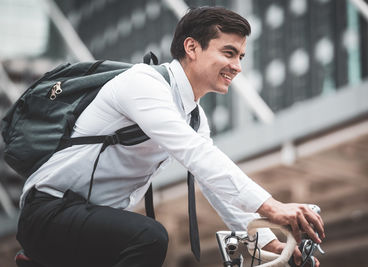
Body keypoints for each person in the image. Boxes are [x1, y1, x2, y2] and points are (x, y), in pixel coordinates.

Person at [16, 6, 324, 267]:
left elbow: (214, 186)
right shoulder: (143, 84)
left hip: (89, 223)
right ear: (192, 48)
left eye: (241, 56)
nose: (237, 66)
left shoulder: (194, 117)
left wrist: (266, 240)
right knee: (150, 236)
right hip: (49, 214)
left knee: (145, 237)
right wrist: (271, 206)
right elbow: (196, 154)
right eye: (229, 53)